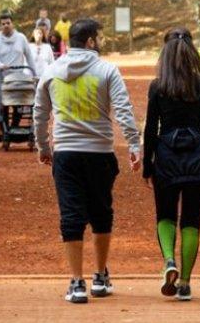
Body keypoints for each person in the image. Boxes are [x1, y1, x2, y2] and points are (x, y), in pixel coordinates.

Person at [34, 18, 142, 304]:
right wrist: (133, 143)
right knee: (101, 213)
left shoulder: (52, 71)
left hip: (66, 153)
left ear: (71, 42)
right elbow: (122, 108)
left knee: (71, 215)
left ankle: (76, 281)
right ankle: (100, 276)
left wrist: (43, 146)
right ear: (91, 41)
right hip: (99, 153)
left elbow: (40, 113)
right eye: (100, 38)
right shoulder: (107, 70)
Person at [142, 28, 200, 301]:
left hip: (166, 156)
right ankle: (186, 283)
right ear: (193, 53)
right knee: (192, 220)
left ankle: (168, 261)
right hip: (198, 157)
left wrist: (147, 165)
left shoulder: (158, 87)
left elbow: (150, 129)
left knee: (165, 216)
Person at [0, 13, 37, 127]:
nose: (6, 25)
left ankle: (14, 126)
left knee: (19, 102)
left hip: (18, 78)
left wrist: (34, 73)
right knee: (0, 101)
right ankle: (3, 125)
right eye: (3, 24)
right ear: (0, 26)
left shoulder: (21, 38)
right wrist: (0, 65)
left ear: (12, 24)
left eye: (8, 23)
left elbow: (29, 56)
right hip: (2, 77)